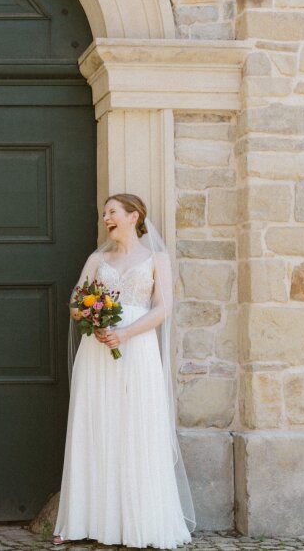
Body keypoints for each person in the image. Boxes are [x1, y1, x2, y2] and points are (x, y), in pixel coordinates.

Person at [53, 194, 194, 549]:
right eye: (104, 213)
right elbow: (75, 302)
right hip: (98, 348)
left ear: (133, 217)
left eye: (112, 212)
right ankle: (84, 518)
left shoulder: (156, 259)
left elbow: (163, 308)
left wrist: (126, 333)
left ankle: (139, 523)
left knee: (135, 426)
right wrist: (91, 316)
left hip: (138, 346)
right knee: (96, 423)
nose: (106, 218)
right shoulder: (97, 259)